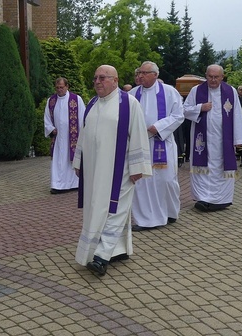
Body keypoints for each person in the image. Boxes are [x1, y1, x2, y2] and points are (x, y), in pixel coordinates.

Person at [72, 65, 152, 276]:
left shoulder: (129, 104)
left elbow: (138, 135)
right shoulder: (91, 104)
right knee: (99, 209)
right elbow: (84, 134)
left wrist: (137, 167)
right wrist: (79, 161)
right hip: (94, 170)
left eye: (103, 78)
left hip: (121, 171)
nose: (97, 81)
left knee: (116, 211)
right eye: (95, 78)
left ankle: (100, 257)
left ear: (115, 80)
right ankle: (119, 250)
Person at [183, 64, 242, 212]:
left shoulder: (230, 91)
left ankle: (221, 200)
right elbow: (184, 110)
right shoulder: (196, 91)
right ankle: (202, 198)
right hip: (201, 139)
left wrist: (239, 139)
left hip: (222, 140)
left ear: (222, 77)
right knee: (202, 168)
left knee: (221, 168)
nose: (213, 80)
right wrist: (200, 108)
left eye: (216, 77)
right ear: (205, 76)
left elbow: (237, 115)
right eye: (210, 76)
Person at [129, 61, 184, 231]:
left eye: (144, 73)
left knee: (166, 180)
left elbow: (178, 115)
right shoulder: (132, 94)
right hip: (139, 145)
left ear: (155, 74)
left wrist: (158, 128)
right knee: (142, 182)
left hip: (162, 143)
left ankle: (170, 212)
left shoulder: (169, 92)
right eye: (139, 73)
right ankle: (146, 219)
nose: (140, 76)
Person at [44, 77, 85, 194]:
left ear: (67, 87)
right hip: (58, 138)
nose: (59, 90)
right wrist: (51, 129)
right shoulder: (51, 101)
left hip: (73, 137)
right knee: (58, 161)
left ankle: (74, 184)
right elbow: (47, 118)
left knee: (71, 160)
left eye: (61, 87)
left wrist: (82, 133)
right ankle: (57, 185)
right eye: (57, 88)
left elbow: (83, 117)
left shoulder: (76, 99)